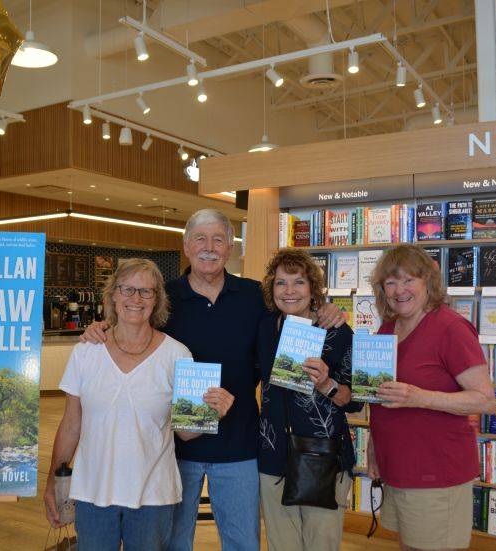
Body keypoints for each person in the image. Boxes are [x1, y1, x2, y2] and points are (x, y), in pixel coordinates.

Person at [81, 209, 346, 551]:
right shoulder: (165, 298)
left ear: (230, 248)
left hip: (241, 445)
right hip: (175, 447)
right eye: (201, 239)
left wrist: (326, 309)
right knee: (174, 542)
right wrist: (101, 327)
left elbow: (292, 306)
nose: (209, 247)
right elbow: (131, 326)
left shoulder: (254, 296)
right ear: (187, 246)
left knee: (241, 542)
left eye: (218, 239)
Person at [44, 258, 235, 551]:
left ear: (156, 299)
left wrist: (212, 413)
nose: (136, 298)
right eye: (128, 289)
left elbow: (185, 433)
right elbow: (71, 424)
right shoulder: (86, 352)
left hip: (152, 496)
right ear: (113, 295)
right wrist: (52, 483)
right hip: (92, 491)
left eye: (146, 292)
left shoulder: (177, 355)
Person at [367, 244, 495, 551]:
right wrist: (374, 445)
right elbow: (379, 396)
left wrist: (419, 397)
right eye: (391, 282)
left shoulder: (450, 327)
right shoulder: (387, 330)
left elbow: (484, 400)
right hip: (398, 467)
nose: (400, 290)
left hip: (437, 473)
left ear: (428, 282)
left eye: (409, 280)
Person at [256, 248, 356, 551]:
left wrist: (326, 383)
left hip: (323, 458)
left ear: (312, 288)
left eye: (298, 282)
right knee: (281, 545)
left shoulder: (336, 331)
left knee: (321, 545)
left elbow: (353, 401)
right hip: (273, 456)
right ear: (271, 288)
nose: (289, 291)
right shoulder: (264, 327)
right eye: (280, 283)